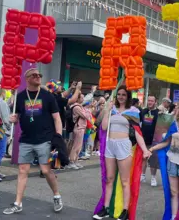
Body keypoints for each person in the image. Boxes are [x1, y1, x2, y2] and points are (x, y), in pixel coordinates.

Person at [3, 68, 64, 215]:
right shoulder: (20, 96)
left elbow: (57, 118)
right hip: (26, 139)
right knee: (23, 170)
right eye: (34, 75)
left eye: (39, 75)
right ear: (27, 79)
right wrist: (13, 119)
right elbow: (16, 117)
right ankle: (18, 203)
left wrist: (58, 138)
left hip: (44, 139)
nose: (38, 77)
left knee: (45, 170)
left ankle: (56, 195)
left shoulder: (48, 96)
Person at [93, 85, 151, 220]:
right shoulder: (111, 109)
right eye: (119, 94)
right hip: (110, 145)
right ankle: (105, 208)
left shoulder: (134, 111)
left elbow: (137, 133)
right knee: (109, 179)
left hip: (124, 146)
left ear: (128, 96)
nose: (121, 97)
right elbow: (104, 127)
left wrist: (145, 150)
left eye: (124, 94)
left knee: (125, 180)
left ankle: (125, 211)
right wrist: (107, 110)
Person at [140, 95, 160, 187]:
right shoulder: (143, 112)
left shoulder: (158, 113)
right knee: (143, 158)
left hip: (154, 141)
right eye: (148, 100)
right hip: (143, 139)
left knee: (153, 160)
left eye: (152, 101)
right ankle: (142, 175)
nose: (150, 102)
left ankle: (153, 177)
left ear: (155, 102)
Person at [68, 93, 91, 169]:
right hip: (78, 127)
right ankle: (72, 161)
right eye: (82, 98)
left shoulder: (80, 107)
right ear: (77, 99)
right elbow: (86, 116)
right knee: (76, 145)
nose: (83, 99)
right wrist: (87, 111)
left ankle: (75, 160)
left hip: (81, 127)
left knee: (79, 146)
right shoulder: (77, 107)